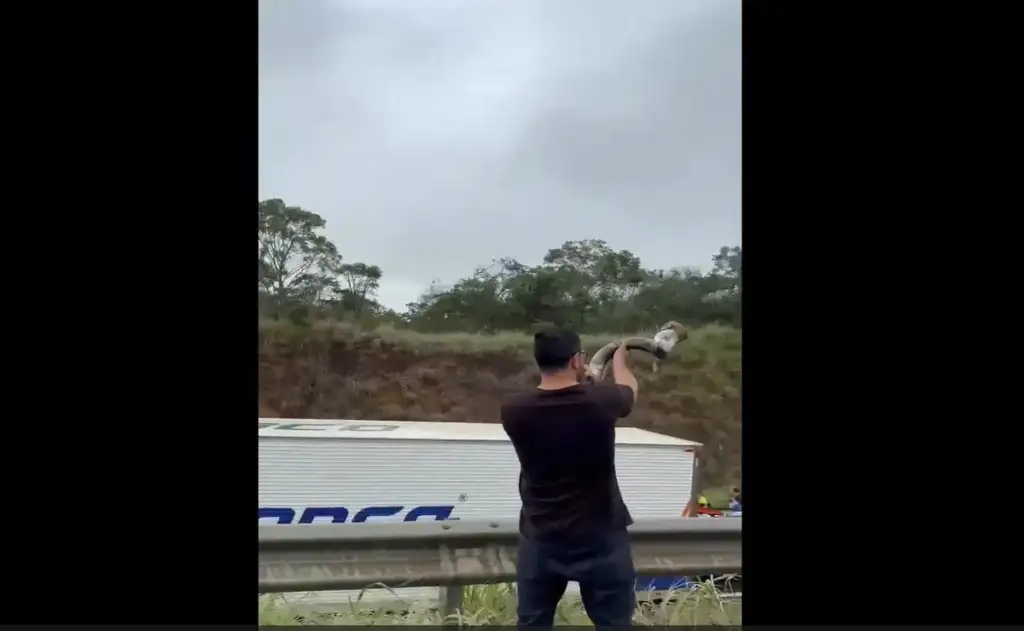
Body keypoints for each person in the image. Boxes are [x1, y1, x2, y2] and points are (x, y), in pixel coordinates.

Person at [501, 328, 639, 629]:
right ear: (577, 360)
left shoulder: (513, 409)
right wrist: (620, 360)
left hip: (541, 537)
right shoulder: (602, 401)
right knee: (614, 624)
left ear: (539, 361)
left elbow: (560, 404)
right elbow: (629, 389)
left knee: (532, 623)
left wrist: (582, 384)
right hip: (601, 538)